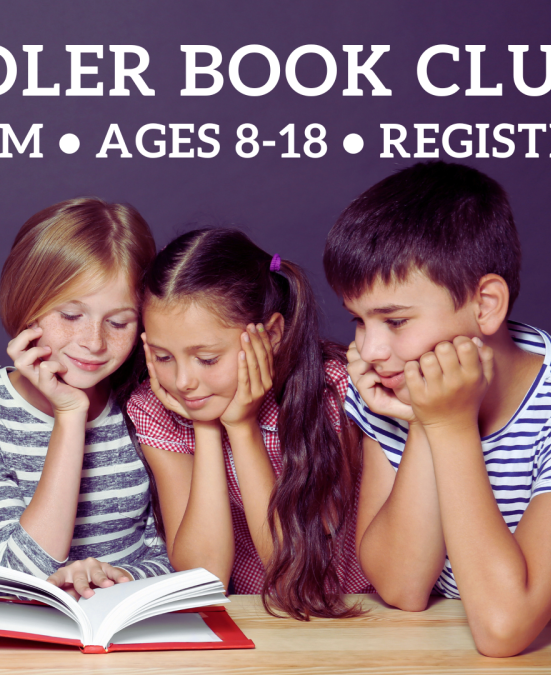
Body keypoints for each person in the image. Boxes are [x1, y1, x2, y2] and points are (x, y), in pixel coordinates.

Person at [325, 161, 551, 657]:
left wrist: (450, 426)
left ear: (485, 306)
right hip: (443, 633)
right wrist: (423, 421)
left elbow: (505, 628)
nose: (370, 350)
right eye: (358, 321)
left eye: (395, 321)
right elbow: (401, 587)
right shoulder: (392, 384)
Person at [128, 228, 370, 620]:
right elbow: (202, 576)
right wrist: (207, 428)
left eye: (207, 359)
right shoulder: (156, 410)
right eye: (163, 356)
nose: (184, 381)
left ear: (271, 334)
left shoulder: (332, 391)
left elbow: (295, 570)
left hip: (354, 612)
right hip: (251, 618)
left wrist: (242, 429)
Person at [0, 197, 171, 599]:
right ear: (28, 303)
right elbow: (13, 576)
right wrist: (70, 415)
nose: (93, 343)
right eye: (71, 316)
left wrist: (115, 580)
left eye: (119, 321)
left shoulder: (150, 404)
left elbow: (178, 557)